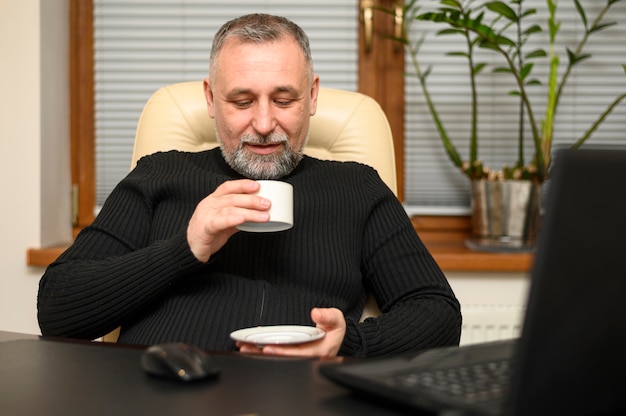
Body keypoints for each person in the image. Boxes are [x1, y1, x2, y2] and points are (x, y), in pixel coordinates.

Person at [37, 13, 461, 358]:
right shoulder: (159, 174)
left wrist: (349, 342)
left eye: (284, 100)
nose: (262, 125)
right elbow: (57, 310)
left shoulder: (358, 187)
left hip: (303, 396)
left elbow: (438, 314)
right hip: (163, 392)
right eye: (241, 102)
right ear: (210, 99)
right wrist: (185, 249)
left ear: (312, 97)